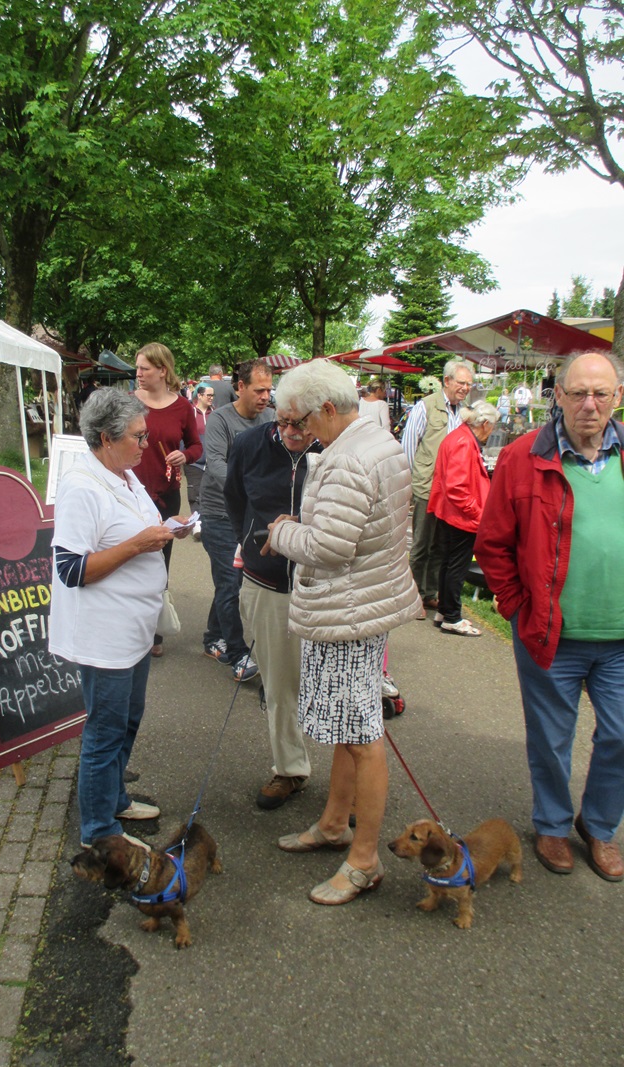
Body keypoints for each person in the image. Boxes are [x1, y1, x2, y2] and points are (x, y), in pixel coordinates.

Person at [262, 360, 420, 905]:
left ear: (328, 409)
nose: (298, 433)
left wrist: (282, 531)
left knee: (360, 737)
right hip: (360, 608)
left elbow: (329, 547)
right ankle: (334, 824)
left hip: (348, 613)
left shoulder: (349, 459)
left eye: (301, 422)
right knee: (348, 728)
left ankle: (365, 860)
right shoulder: (377, 440)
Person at [475, 351, 624, 882]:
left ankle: (600, 827)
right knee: (552, 738)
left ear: (616, 399)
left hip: (620, 637)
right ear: (556, 395)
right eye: (577, 392)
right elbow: (493, 543)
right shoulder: (523, 456)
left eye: (600, 394)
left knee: (621, 734)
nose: (589, 404)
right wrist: (516, 606)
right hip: (549, 632)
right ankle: (554, 825)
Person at [49, 389, 189, 848]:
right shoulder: (81, 487)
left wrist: (173, 530)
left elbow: (142, 528)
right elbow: (71, 570)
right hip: (103, 633)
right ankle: (98, 831)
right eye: (138, 437)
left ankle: (113, 799)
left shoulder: (125, 477)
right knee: (105, 730)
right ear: (107, 438)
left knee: (128, 720)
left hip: (134, 627)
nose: (146, 445)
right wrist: (139, 545)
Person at [224, 406, 321, 810]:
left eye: (300, 423)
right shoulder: (249, 444)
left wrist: (296, 529)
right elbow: (234, 500)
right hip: (266, 579)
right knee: (279, 684)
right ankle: (289, 768)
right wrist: (251, 543)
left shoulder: (334, 446)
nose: (291, 432)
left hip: (324, 580)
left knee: (337, 684)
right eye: (283, 422)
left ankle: (352, 783)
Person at [199, 358, 273, 681]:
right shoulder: (219, 421)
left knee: (233, 581)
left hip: (251, 513)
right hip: (218, 512)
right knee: (230, 580)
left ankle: (212, 634)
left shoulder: (270, 418)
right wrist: (255, 486)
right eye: (259, 390)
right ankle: (237, 652)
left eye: (269, 390)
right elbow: (215, 466)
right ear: (239, 387)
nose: (265, 397)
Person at [132, 342, 202, 657]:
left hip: (166, 496)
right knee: (130, 559)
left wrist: (183, 455)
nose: (138, 374)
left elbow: (197, 446)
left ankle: (155, 634)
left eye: (144, 368)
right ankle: (131, 629)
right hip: (130, 493)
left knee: (160, 563)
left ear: (163, 370)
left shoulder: (183, 407)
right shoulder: (129, 403)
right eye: (137, 367)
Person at [401, 360, 475, 618]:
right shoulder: (426, 406)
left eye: (468, 384)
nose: (465, 388)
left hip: (450, 491)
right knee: (421, 543)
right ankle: (411, 597)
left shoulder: (464, 412)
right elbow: (409, 445)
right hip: (426, 486)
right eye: (461, 382)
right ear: (446, 381)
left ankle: (429, 593)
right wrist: (410, 483)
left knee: (440, 545)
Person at [427, 400, 500, 636]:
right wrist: (479, 514)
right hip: (460, 516)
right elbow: (457, 488)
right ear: (486, 424)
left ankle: (446, 613)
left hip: (453, 513)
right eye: (493, 426)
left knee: (449, 565)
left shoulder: (460, 437)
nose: (493, 431)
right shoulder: (464, 441)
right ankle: (452, 616)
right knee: (456, 567)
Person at [186, 382, 215, 538]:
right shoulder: (190, 412)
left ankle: (207, 521)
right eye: (208, 395)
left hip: (211, 461)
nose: (211, 398)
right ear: (200, 395)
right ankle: (197, 523)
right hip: (194, 461)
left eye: (212, 395)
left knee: (209, 491)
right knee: (194, 491)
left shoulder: (215, 413)